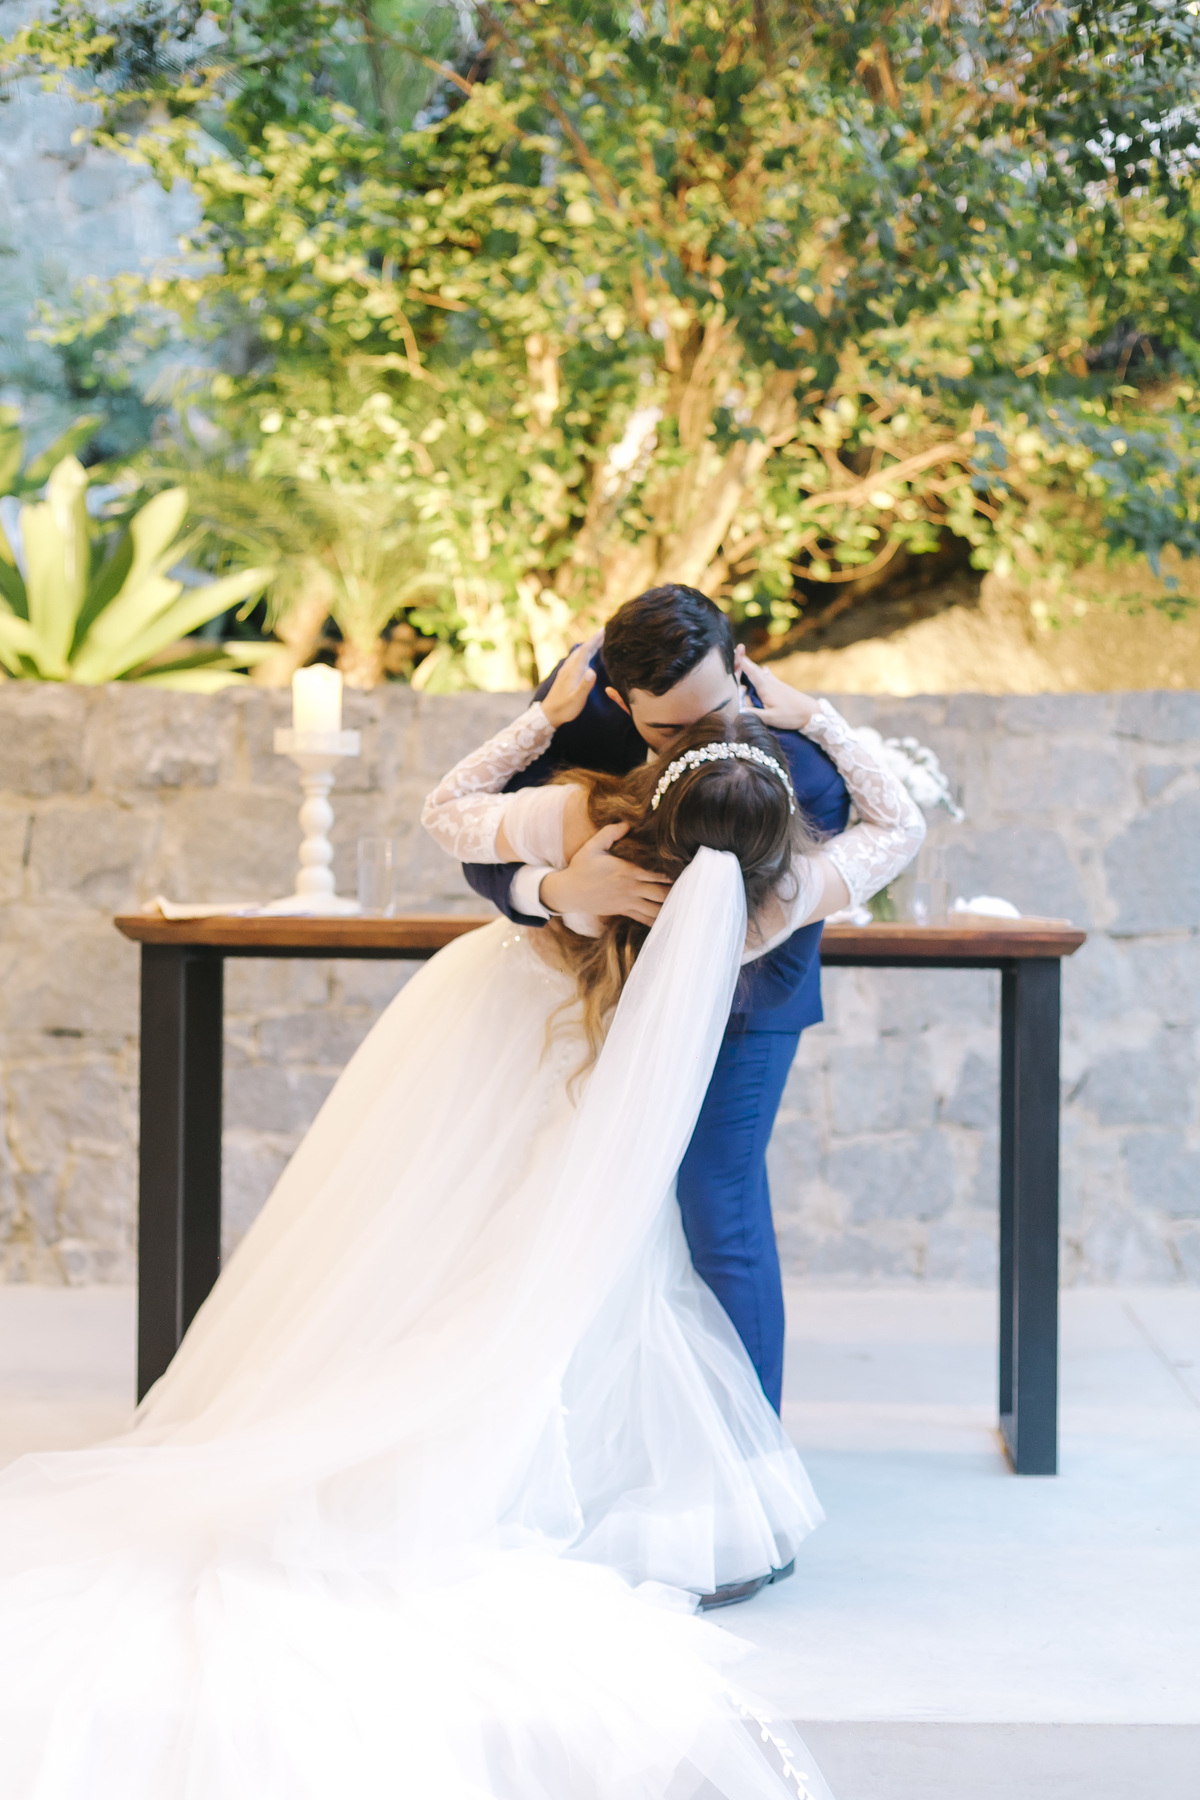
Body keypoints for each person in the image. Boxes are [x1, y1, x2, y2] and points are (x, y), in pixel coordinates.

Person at [0, 657, 920, 1800]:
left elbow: (455, 813)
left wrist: (556, 830)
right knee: (589, 1264)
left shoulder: (604, 815)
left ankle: (446, 1433)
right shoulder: (754, 892)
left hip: (525, 1036)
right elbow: (896, 821)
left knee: (466, 1241)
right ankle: (634, 1482)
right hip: (585, 1070)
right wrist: (807, 720)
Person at [461, 585, 851, 1418]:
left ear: (738, 668)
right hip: (593, 991)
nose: (708, 737)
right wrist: (558, 891)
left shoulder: (800, 756)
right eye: (669, 730)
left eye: (715, 710)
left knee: (718, 1200)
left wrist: (725, 938)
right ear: (620, 699)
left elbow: (838, 866)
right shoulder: (576, 705)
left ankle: (749, 1452)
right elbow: (479, 838)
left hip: (745, 998)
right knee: (570, 1201)